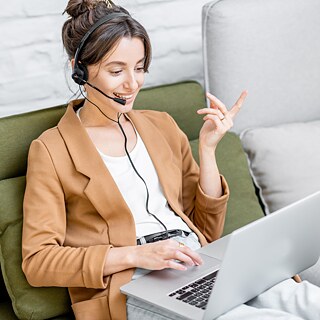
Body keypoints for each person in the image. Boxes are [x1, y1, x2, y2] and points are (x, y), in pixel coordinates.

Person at [22, 1, 320, 320]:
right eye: (116, 70)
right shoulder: (52, 150)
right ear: (79, 69)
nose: (132, 84)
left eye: (139, 68)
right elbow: (38, 262)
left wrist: (207, 150)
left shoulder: (161, 125)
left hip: (198, 261)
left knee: (307, 301)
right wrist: (138, 255)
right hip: (133, 286)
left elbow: (205, 228)